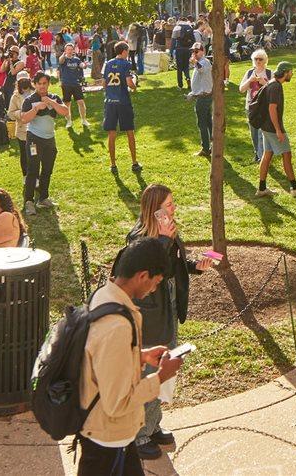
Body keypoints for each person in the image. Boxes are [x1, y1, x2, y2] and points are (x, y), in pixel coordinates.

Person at [77, 238, 184, 475]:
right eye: (155, 283)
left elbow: (104, 360)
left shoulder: (104, 295)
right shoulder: (117, 325)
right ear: (143, 275)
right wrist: (161, 377)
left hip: (112, 434)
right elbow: (117, 403)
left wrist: (141, 356)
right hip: (107, 438)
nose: (153, 289)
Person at [126, 185, 214, 460]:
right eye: (169, 204)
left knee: (165, 370)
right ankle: (137, 436)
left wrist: (194, 265)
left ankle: (152, 426)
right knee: (148, 373)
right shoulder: (138, 238)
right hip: (151, 315)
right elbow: (147, 271)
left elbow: (173, 263)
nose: (174, 208)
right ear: (155, 210)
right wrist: (165, 241)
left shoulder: (169, 232)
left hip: (170, 307)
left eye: (173, 203)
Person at [252, 61, 296, 198]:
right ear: (285, 72)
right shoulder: (276, 87)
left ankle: (261, 189)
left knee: (267, 155)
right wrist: (278, 130)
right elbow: (272, 108)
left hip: (266, 127)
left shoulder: (272, 83)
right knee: (286, 154)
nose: (292, 74)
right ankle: (295, 187)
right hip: (272, 128)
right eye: (291, 71)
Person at [20, 74, 66, 214]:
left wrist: (51, 103)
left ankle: (43, 198)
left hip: (50, 140)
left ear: (48, 84)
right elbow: (23, 119)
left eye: (44, 83)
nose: (42, 86)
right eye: (39, 83)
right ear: (34, 84)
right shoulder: (29, 100)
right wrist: (36, 109)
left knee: (47, 170)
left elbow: (65, 111)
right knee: (33, 170)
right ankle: (29, 201)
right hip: (34, 139)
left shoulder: (54, 98)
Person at [101, 41, 141, 173]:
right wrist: (135, 87)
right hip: (123, 102)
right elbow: (129, 82)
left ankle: (113, 165)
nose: (128, 54)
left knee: (111, 133)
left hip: (110, 102)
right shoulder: (126, 63)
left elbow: (104, 83)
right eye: (127, 51)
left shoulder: (107, 63)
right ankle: (134, 163)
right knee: (130, 132)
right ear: (123, 51)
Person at [239, 50, 273, 162]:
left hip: (264, 108)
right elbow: (241, 89)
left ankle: (261, 156)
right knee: (254, 132)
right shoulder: (249, 73)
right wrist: (250, 80)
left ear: (265, 61)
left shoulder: (269, 73)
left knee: (261, 133)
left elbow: (274, 90)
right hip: (251, 107)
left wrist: (264, 83)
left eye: (260, 59)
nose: (258, 61)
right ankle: (257, 153)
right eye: (256, 59)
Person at [187, 44, 214, 157]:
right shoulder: (200, 62)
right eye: (193, 51)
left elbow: (201, 69)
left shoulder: (204, 62)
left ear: (202, 51)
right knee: (208, 122)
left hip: (204, 97)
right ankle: (213, 144)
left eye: (196, 51)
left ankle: (206, 149)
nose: (194, 53)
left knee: (202, 123)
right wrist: (193, 93)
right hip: (202, 96)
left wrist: (194, 62)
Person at [58, 43, 89, 129]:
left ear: (73, 50)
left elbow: (81, 65)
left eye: (71, 49)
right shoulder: (63, 59)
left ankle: (84, 120)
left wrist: (84, 65)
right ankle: (69, 121)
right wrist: (64, 55)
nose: (70, 51)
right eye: (68, 49)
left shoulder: (76, 59)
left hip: (76, 84)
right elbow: (60, 60)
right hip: (66, 84)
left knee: (81, 103)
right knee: (67, 104)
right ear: (65, 50)